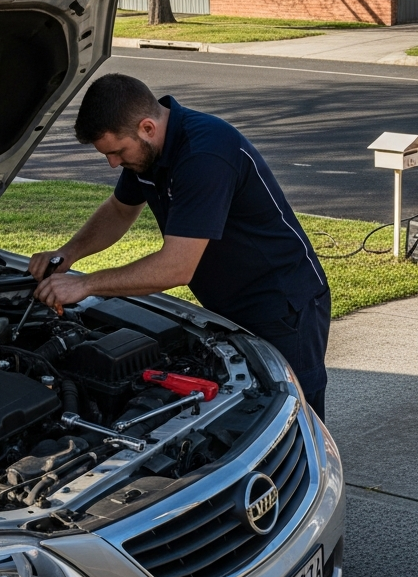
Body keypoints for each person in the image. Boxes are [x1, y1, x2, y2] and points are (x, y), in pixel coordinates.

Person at [29, 74, 330, 418]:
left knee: (293, 416)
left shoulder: (205, 154)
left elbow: (177, 266)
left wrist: (84, 284)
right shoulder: (148, 152)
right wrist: (68, 253)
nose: (112, 163)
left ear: (147, 127)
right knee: (242, 415)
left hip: (283, 306)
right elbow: (119, 210)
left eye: (116, 152)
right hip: (227, 304)